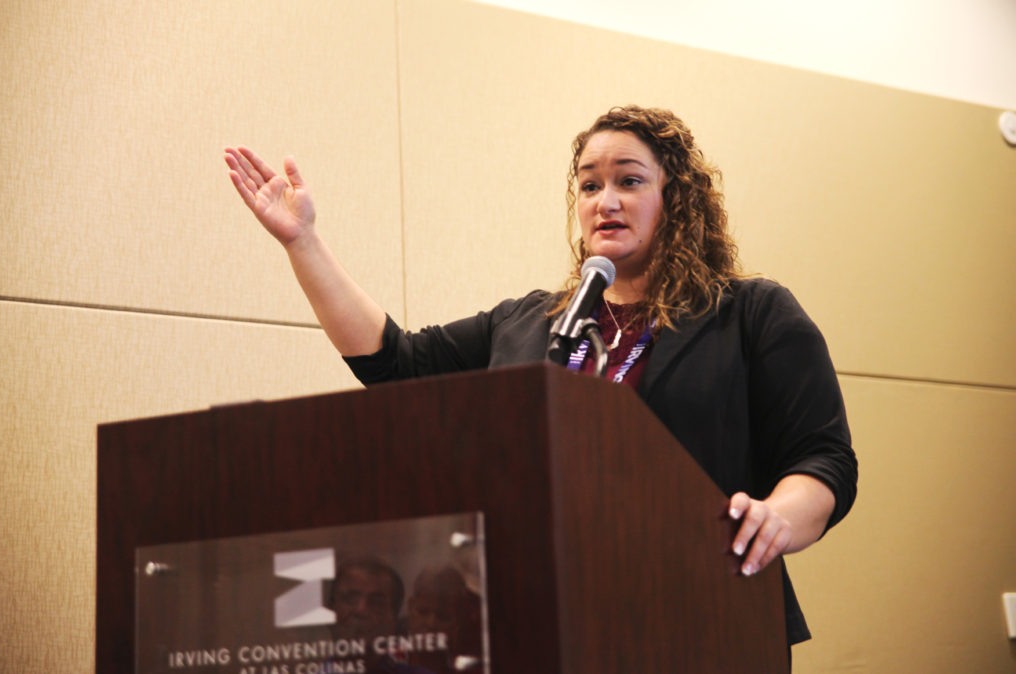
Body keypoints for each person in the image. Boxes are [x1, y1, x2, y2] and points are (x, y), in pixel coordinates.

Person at [225, 105, 858, 650]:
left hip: (700, 614)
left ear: (677, 198)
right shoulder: (530, 324)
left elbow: (823, 459)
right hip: (539, 620)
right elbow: (396, 363)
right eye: (589, 186)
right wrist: (302, 242)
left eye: (629, 181)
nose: (604, 201)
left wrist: (776, 516)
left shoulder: (749, 314)